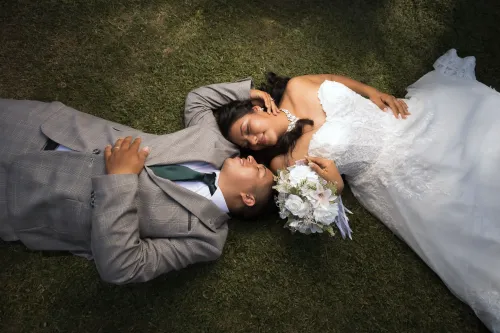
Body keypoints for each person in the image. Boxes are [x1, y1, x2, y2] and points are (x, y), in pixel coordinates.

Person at [209, 49, 500, 331]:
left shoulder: (297, 87)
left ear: (259, 108)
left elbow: (333, 79)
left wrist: (370, 91)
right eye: (247, 144)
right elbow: (318, 202)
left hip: (399, 122)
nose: (254, 141)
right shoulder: (283, 163)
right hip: (389, 174)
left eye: (248, 128)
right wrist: (335, 185)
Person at [0, 80, 275, 285]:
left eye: (259, 170)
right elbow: (198, 100)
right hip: (43, 127)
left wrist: (121, 180)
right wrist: (247, 92)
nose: (252, 159)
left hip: (33, 197)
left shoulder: (206, 239)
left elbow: (123, 266)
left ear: (248, 198)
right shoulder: (216, 144)